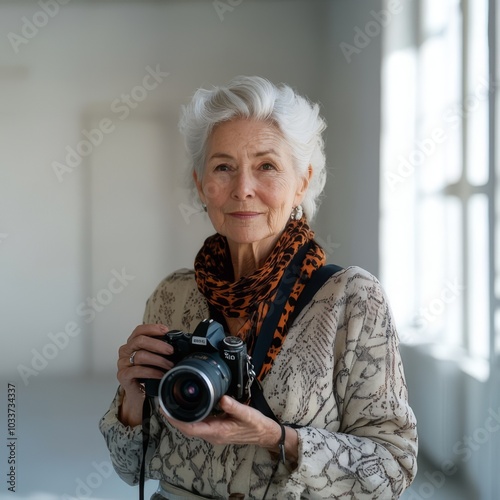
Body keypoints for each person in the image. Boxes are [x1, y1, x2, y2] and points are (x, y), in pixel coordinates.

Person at [99, 75, 418, 499]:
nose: (243, 188)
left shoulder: (351, 299)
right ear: (201, 185)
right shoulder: (172, 296)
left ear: (302, 181)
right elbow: (127, 468)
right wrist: (131, 399)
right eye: (223, 167)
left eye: (266, 166)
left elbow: (393, 468)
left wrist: (277, 438)